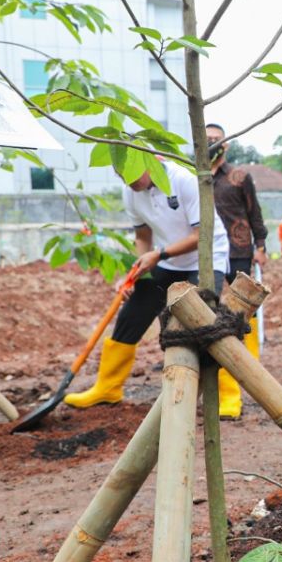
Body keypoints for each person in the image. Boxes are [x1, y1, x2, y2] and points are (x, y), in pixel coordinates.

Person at [65, 158, 231, 409]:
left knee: (204, 324)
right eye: (122, 178)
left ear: (151, 163)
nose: (128, 183)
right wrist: (135, 271)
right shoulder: (131, 193)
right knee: (132, 314)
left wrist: (159, 254)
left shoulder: (183, 180)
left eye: (132, 176)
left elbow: (201, 235)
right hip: (165, 260)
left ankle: (225, 396)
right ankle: (107, 388)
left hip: (206, 257)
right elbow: (143, 237)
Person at [208, 123, 268, 419]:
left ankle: (249, 359)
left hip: (240, 249)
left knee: (243, 309)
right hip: (208, 254)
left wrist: (261, 245)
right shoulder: (198, 178)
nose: (212, 143)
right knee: (214, 309)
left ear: (226, 145)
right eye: (207, 139)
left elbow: (254, 211)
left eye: (216, 140)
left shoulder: (239, 177)